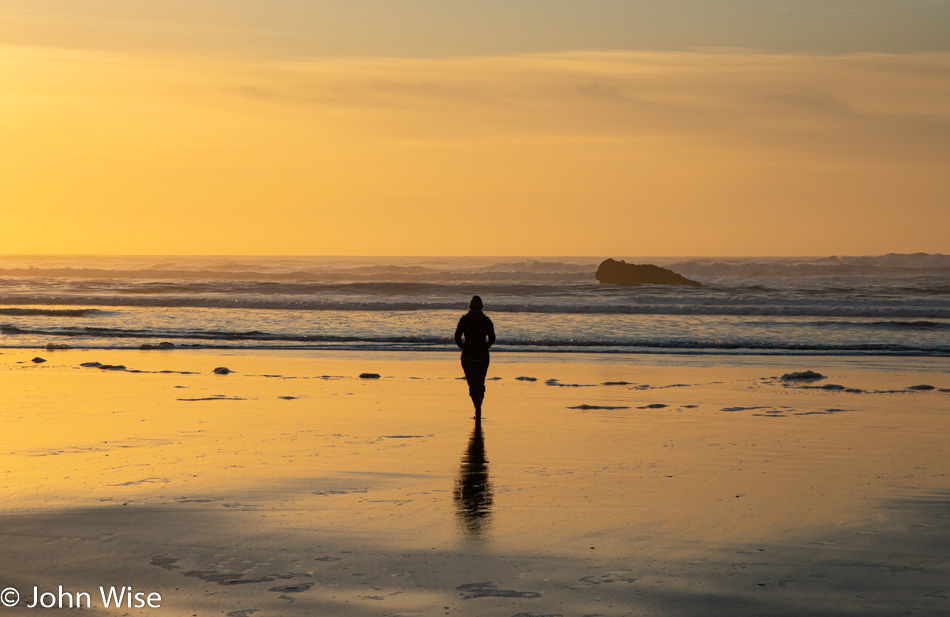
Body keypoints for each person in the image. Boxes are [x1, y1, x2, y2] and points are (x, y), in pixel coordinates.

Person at [455, 295, 495, 416]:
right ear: (481, 306)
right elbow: (492, 338)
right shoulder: (486, 320)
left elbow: (457, 337)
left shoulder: (464, 319)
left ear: (470, 306)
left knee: (472, 383)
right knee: (480, 382)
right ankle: (479, 405)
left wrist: (463, 347)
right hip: (482, 355)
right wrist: (485, 346)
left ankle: (477, 406)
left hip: (468, 355)